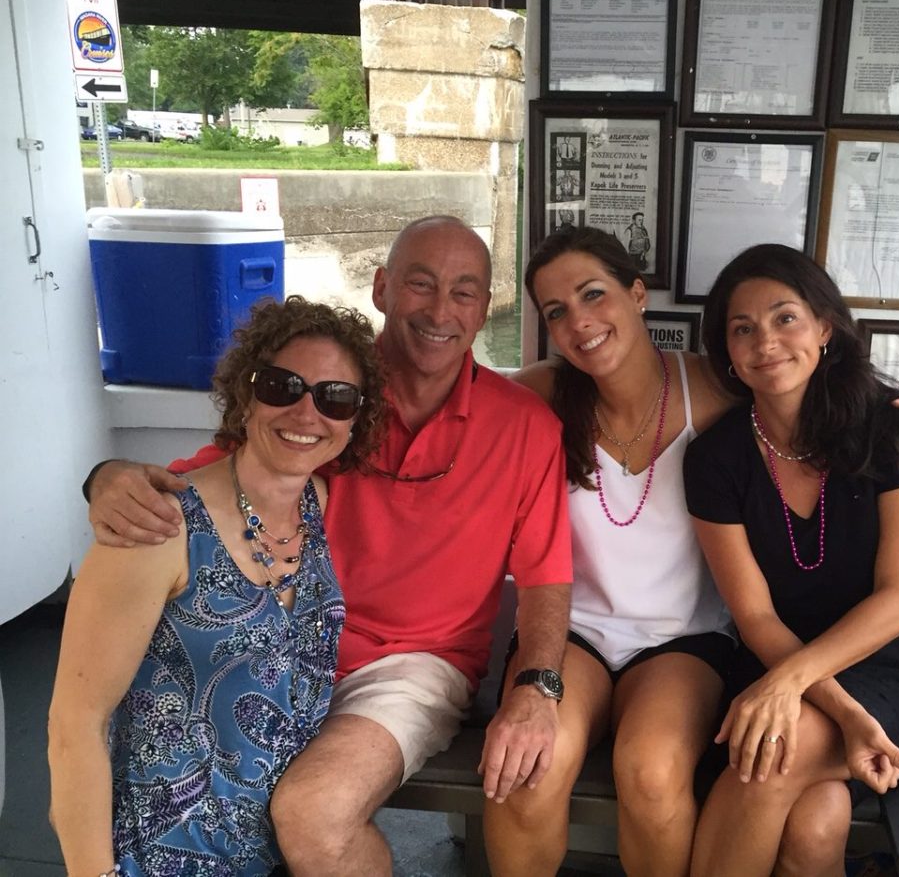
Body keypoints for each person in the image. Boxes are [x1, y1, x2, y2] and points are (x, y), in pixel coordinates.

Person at [82, 216, 574, 876]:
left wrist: (536, 687)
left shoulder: (525, 427)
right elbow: (219, 476)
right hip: (284, 644)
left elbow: (545, 577)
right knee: (159, 763)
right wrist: (106, 479)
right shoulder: (328, 399)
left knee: (312, 813)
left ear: (486, 308)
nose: (439, 309)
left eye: (464, 291)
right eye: (419, 284)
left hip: (411, 668)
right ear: (381, 289)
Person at [485, 228, 899, 877]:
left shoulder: (729, 393)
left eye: (594, 294)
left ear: (638, 293)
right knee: (528, 770)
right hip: (625, 640)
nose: (581, 322)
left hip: (743, 651)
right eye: (556, 311)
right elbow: (452, 402)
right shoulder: (553, 398)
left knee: (678, 771)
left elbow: (897, 595)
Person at [48, 297, 387, 876]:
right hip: (165, 858)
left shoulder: (321, 506)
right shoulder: (158, 525)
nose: (307, 413)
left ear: (355, 420)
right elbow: (75, 724)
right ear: (246, 395)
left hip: (282, 849)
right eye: (283, 386)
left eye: (335, 397)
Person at [683, 244, 899, 877]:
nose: (766, 342)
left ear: (825, 329)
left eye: (786, 318)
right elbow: (753, 614)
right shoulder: (715, 461)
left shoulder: (896, 432)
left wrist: (789, 685)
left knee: (770, 754)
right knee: (817, 822)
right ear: (726, 352)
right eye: (742, 328)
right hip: (779, 666)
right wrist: (834, 707)